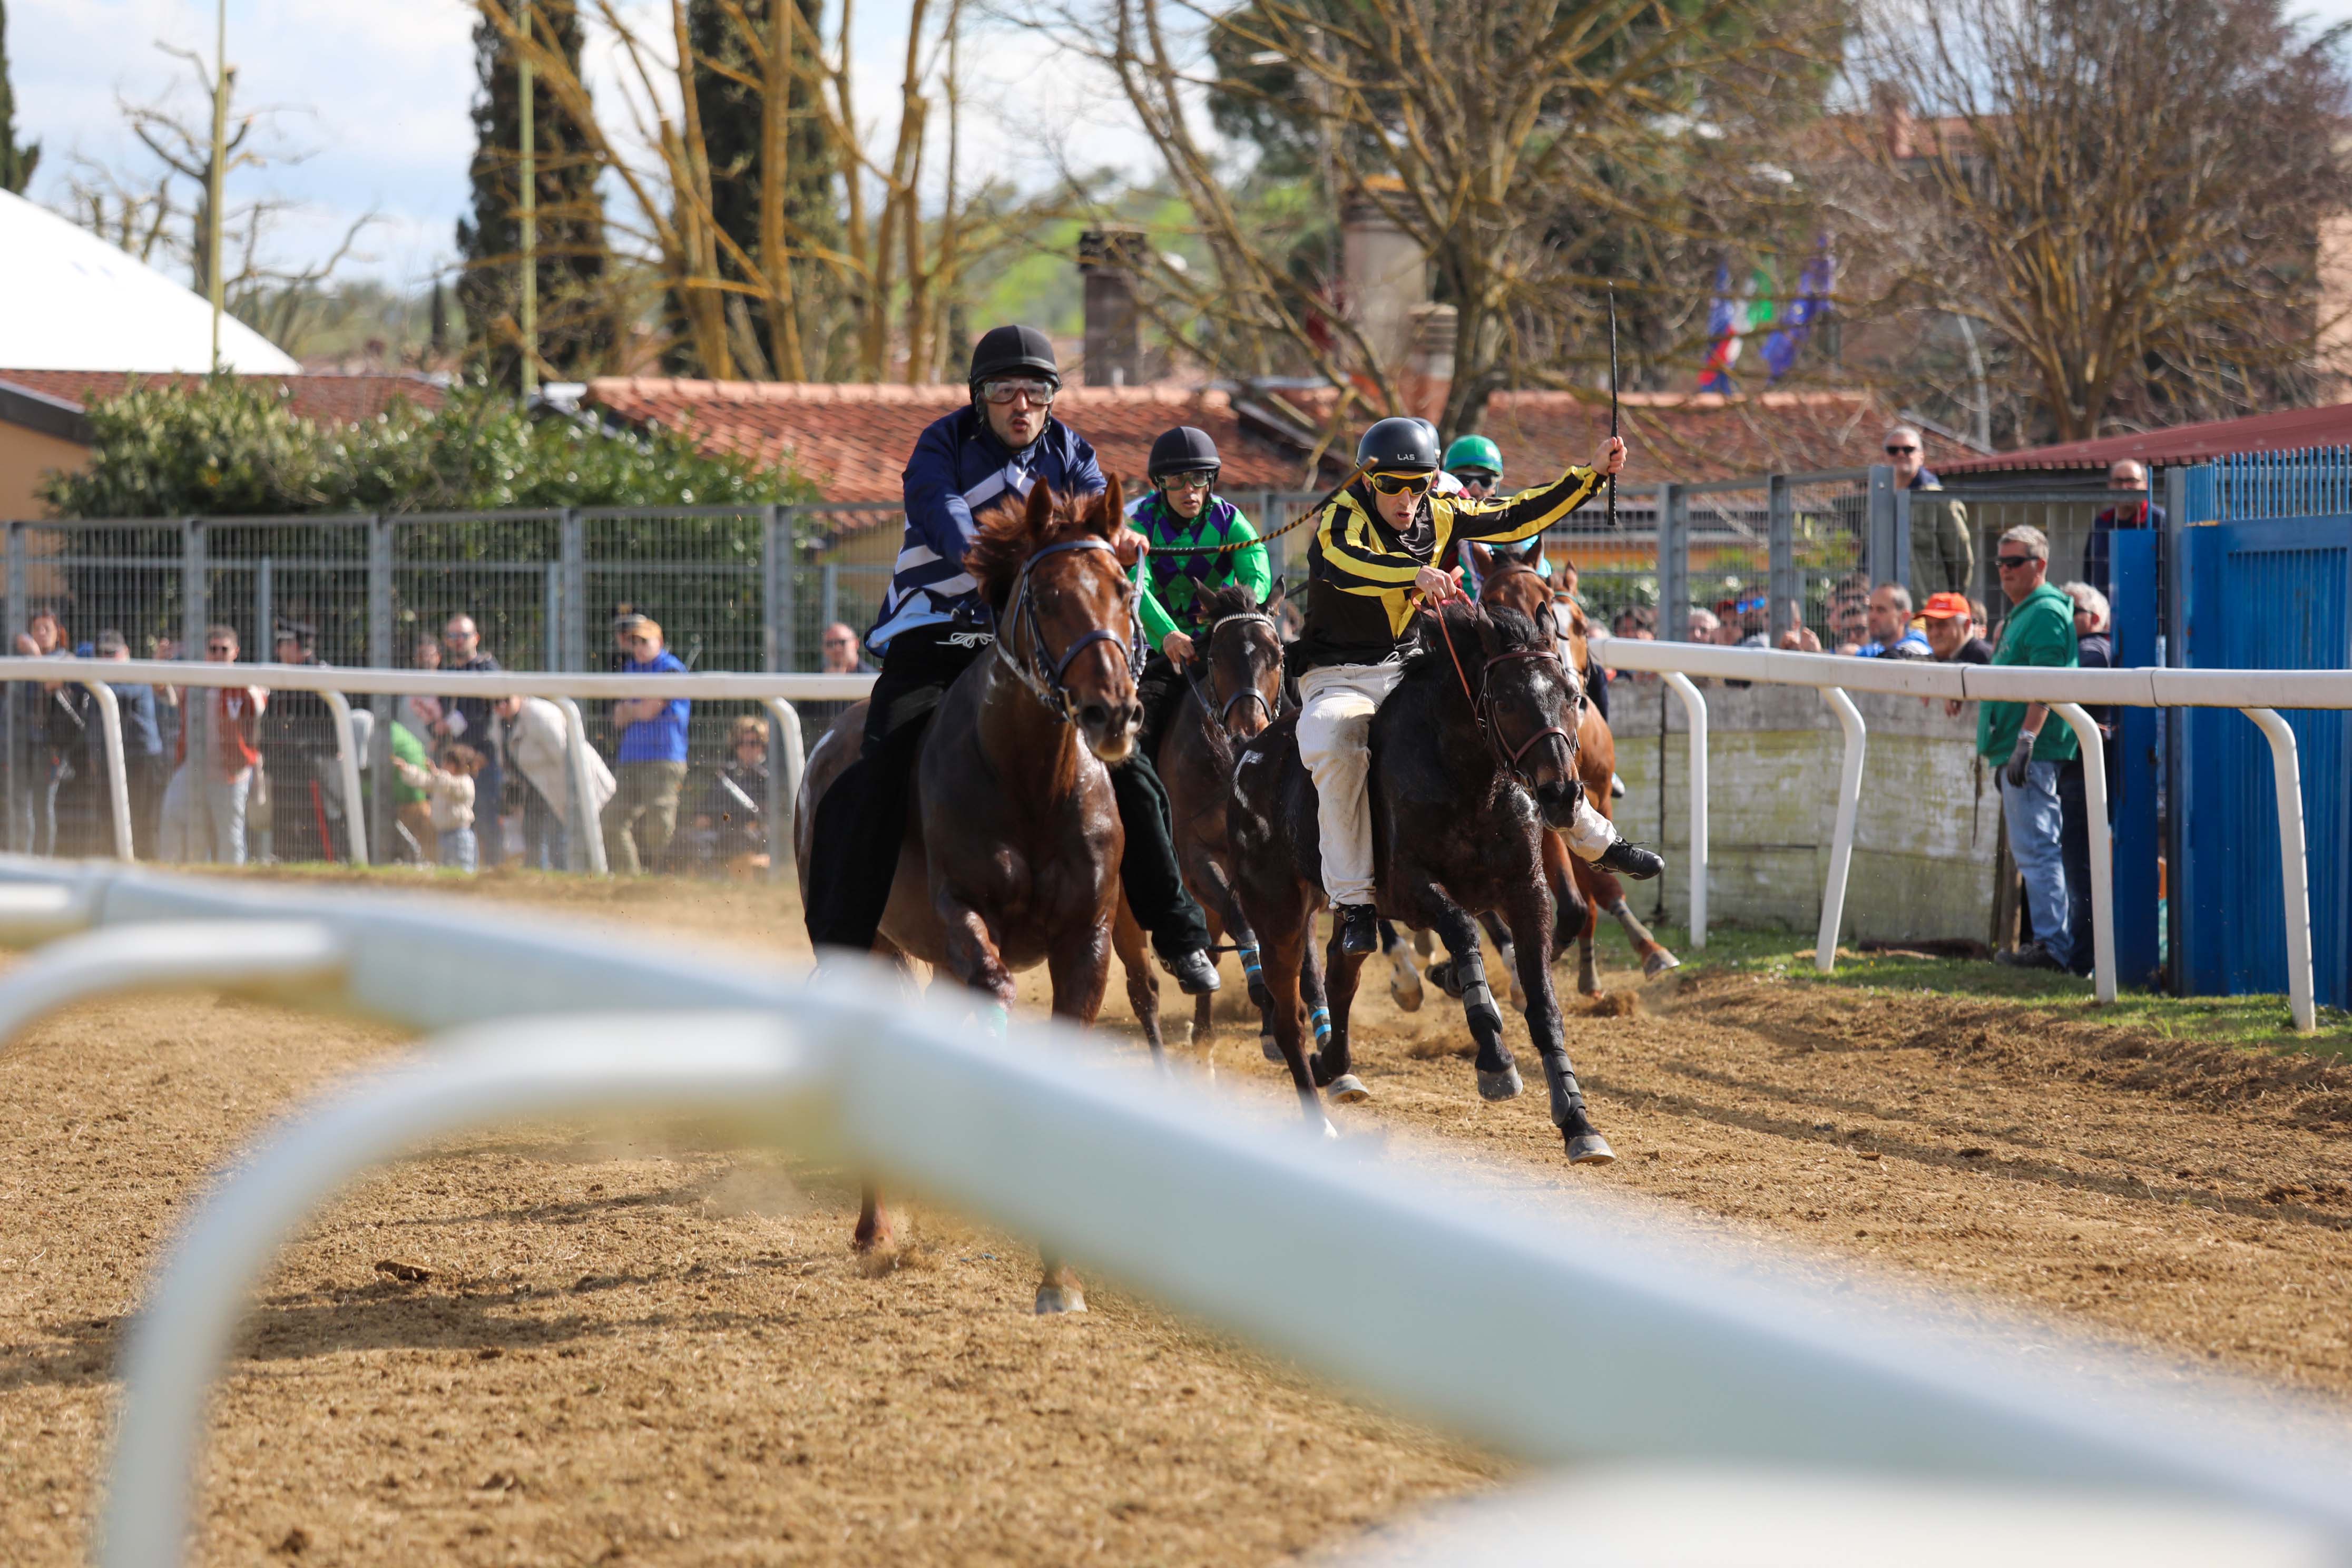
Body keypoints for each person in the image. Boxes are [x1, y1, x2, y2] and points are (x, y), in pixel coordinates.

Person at [799, 325, 1220, 995]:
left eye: (1035, 391)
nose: (1020, 404)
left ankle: (1179, 933)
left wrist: (1116, 539)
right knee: (876, 765)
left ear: (1051, 399)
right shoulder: (941, 445)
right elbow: (945, 521)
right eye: (1004, 391)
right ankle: (843, 951)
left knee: (1131, 768)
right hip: (935, 633)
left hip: (1035, 645)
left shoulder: (1073, 451)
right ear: (980, 396)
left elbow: (1093, 526)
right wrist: (1005, 563)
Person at [1296, 415, 1661, 956]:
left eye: (1418, 484)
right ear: (1368, 482)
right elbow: (1350, 562)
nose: (1405, 497)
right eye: (1392, 485)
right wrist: (1413, 574)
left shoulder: (1441, 512)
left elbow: (1514, 516)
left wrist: (1590, 475)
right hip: (1339, 676)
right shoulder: (1339, 516)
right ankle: (1353, 904)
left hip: (1406, 665)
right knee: (1333, 744)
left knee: (1508, 713)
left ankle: (1598, 841)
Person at [1126, 424, 1271, 762]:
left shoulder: (1230, 520)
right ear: (1160, 484)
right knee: (1138, 737)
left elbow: (1257, 572)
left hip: (1216, 644)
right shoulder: (1140, 522)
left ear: (1212, 480)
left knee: (1288, 697)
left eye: (1198, 478)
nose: (1188, 490)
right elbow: (1137, 586)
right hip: (1154, 651)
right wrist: (1167, 634)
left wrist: (1250, 612)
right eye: (1176, 480)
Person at [1980, 526, 2079, 972]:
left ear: (2040, 565)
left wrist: (2026, 740)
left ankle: (2054, 948)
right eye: (2000, 563)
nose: (2004, 571)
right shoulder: (2025, 612)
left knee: (2038, 849)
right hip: (2020, 750)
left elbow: (2048, 682)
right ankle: (2050, 944)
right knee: (2034, 849)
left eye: (2014, 562)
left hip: (2032, 753)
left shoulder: (2044, 613)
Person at [160, 626, 266, 865]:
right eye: (213, 649)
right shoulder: (193, 679)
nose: (218, 654)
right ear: (205, 652)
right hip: (193, 768)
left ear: (235, 652)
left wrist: (240, 682)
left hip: (231, 773)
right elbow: (167, 695)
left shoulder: (245, 683)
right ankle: (170, 880)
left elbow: (260, 703)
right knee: (172, 816)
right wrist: (160, 666)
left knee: (230, 837)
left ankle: (233, 892)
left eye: (224, 649)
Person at [2056, 581, 2115, 978]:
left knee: (2081, 875)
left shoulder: (2093, 649)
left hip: (2083, 780)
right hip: (2081, 777)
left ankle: (2081, 962)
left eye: (2069, 610)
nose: (2060, 619)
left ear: (2093, 619)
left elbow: (2062, 681)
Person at [603, 617, 691, 874]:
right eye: (633, 642)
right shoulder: (631, 668)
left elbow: (648, 710)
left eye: (644, 641)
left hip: (664, 758)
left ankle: (665, 881)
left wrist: (633, 709)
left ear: (660, 642)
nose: (638, 646)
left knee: (659, 825)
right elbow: (619, 719)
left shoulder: (671, 669)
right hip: (632, 757)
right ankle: (632, 879)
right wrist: (635, 709)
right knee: (611, 820)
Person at [495, 692, 615, 871]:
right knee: (534, 837)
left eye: (505, 700)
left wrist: (573, 794)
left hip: (568, 787)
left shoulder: (539, 715)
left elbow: (566, 756)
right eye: (496, 703)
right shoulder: (502, 723)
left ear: (519, 695)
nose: (501, 706)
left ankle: (565, 880)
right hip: (539, 789)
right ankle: (540, 881)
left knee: (560, 840)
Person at [260, 620, 338, 862]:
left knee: (313, 818)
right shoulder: (283, 675)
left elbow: (326, 722)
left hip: (309, 763)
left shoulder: (317, 675)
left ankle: (321, 865)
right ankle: (284, 863)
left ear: (296, 646)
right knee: (283, 818)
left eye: (283, 645)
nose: (278, 651)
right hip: (282, 762)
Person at [92, 630, 165, 857]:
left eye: (111, 653)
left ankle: (145, 879)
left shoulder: (136, 672)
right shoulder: (96, 679)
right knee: (109, 819)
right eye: (102, 654)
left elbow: (116, 693)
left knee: (141, 821)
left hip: (142, 758)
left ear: (125, 653)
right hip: (110, 756)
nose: (106, 658)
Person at [438, 614, 505, 863]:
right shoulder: (446, 674)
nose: (458, 641)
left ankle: (494, 875)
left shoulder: (486, 667)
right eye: (452, 636)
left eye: (464, 635)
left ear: (476, 638)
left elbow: (489, 711)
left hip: (481, 761)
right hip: (455, 763)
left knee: (486, 820)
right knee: (457, 822)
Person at [1884, 426, 1973, 603]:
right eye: (1893, 450)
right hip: (1884, 612)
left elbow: (1961, 560)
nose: (1901, 454)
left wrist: (1949, 602)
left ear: (1922, 456)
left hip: (1927, 612)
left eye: (1908, 450)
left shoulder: (1940, 500)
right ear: (1884, 456)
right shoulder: (1878, 500)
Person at [694, 714, 772, 874]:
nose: (747, 749)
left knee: (741, 839)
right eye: (741, 743)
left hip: (757, 838)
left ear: (763, 745)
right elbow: (702, 817)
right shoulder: (726, 775)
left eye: (753, 743)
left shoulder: (771, 777)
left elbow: (773, 817)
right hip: (722, 834)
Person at [395, 742, 484, 873]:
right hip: (443, 835)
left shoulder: (465, 782)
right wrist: (406, 769)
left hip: (459, 836)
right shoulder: (442, 782)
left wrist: (437, 773)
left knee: (462, 870)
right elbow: (424, 780)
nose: (443, 767)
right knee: (447, 871)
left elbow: (452, 786)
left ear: (459, 766)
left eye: (447, 764)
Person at [2082, 459, 2163, 602]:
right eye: (2118, 481)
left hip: (2150, 614)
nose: (2125, 487)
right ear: (2109, 485)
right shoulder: (2102, 522)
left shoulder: (2159, 522)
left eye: (2132, 481)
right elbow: (2089, 571)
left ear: (2146, 485)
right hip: (2104, 613)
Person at [1856, 583, 1933, 659]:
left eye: (1881, 610)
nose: (1872, 616)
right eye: (1871, 609)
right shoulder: (1881, 649)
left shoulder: (1915, 652)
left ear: (1904, 617)